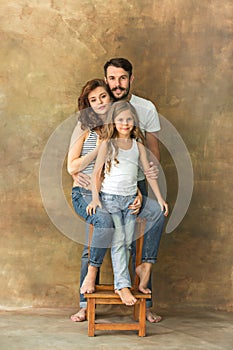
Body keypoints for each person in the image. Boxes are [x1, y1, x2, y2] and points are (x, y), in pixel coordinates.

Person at [72, 58, 164, 323]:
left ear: (131, 79)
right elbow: (87, 156)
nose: (116, 84)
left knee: (139, 240)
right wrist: (79, 173)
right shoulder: (100, 107)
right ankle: (84, 302)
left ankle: (144, 303)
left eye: (122, 78)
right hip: (107, 186)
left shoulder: (145, 108)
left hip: (135, 182)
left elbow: (152, 151)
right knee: (101, 231)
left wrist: (143, 183)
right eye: (112, 78)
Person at [67, 78, 142, 321]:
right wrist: (98, 149)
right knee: (102, 225)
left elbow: (129, 169)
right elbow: (72, 166)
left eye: (102, 97)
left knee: (126, 237)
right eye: (93, 99)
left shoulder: (121, 125)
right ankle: (84, 302)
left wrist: (138, 193)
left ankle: (137, 295)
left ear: (111, 98)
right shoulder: (84, 127)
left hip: (112, 192)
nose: (99, 102)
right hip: (84, 193)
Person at [86, 101, 168, 306]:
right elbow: (96, 173)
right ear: (114, 121)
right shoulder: (108, 143)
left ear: (134, 122)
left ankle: (141, 270)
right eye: (120, 119)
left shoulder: (138, 146)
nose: (125, 123)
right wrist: (96, 198)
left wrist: (159, 198)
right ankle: (122, 286)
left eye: (129, 119)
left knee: (128, 244)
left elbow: (149, 174)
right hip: (111, 200)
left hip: (130, 201)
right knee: (120, 241)